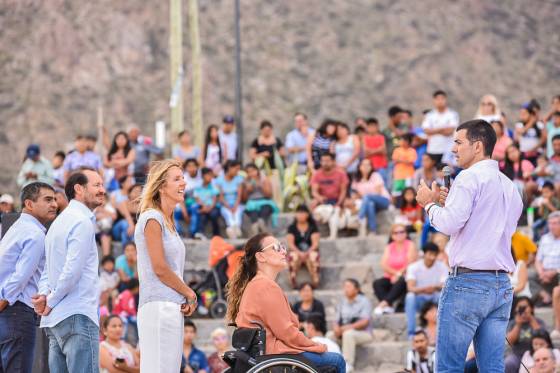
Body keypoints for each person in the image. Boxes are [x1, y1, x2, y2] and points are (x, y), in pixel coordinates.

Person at [416, 119, 523, 371]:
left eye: (458, 142)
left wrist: (429, 204)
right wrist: (451, 203)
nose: (453, 148)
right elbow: (494, 227)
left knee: (449, 367)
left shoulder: (467, 178)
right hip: (500, 284)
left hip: (467, 283)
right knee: (492, 367)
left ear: (477, 146)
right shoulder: (510, 186)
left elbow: (450, 224)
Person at [226, 233, 346, 373]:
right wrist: (316, 345)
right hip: (273, 354)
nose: (284, 251)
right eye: (276, 247)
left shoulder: (256, 284)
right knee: (337, 360)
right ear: (261, 256)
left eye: (283, 247)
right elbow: (287, 332)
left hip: (264, 351)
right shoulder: (265, 286)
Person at [32, 169, 106, 373]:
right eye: (97, 185)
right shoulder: (81, 221)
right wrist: (50, 301)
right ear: (79, 189)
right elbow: (72, 271)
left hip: (55, 320)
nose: (103, 190)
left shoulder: (57, 223)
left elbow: (47, 269)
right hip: (77, 315)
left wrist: (45, 297)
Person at [134, 160, 197, 372]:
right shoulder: (152, 218)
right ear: (161, 186)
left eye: (183, 178)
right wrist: (190, 293)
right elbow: (159, 268)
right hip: (159, 306)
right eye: (177, 179)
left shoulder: (168, 221)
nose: (184, 183)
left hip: (170, 306)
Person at [0, 182, 56, 373]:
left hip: (8, 312)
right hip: (16, 311)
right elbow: (20, 277)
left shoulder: (16, 229)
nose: (54, 204)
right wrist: (2, 302)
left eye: (55, 199)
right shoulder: (35, 233)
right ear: (29, 204)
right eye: (48, 199)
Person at [326, 278, 372, 373]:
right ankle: (330, 362)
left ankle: (347, 364)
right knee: (329, 335)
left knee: (348, 334)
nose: (345, 289)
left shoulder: (364, 301)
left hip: (363, 333)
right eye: (344, 287)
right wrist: (336, 328)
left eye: (348, 286)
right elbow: (336, 320)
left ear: (357, 289)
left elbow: (365, 321)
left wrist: (345, 328)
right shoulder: (342, 302)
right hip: (344, 332)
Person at [405, 242, 448, 339]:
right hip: (420, 297)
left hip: (435, 296)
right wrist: (425, 289)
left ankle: (444, 331)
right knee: (410, 297)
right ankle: (411, 333)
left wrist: (433, 287)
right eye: (430, 254)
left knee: (444, 296)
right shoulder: (413, 267)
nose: (432, 257)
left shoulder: (442, 266)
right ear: (424, 254)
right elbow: (410, 287)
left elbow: (444, 285)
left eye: (434, 254)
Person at [373, 224, 418, 315]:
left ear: (406, 233)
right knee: (377, 283)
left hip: (406, 276)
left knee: (401, 281)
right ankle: (389, 306)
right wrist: (395, 274)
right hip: (392, 276)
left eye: (402, 232)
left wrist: (399, 274)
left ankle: (383, 304)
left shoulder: (410, 245)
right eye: (396, 232)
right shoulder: (389, 247)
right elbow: (383, 264)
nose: (399, 234)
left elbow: (410, 262)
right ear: (392, 235)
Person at [310, 152, 350, 240]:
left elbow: (343, 191)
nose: (325, 163)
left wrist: (339, 203)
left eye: (327, 161)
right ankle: (314, 233)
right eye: (323, 161)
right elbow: (314, 192)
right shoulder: (317, 174)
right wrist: (319, 198)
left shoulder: (341, 173)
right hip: (323, 201)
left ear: (333, 162)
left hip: (337, 199)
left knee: (346, 205)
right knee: (312, 204)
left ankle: (346, 229)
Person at [505, 297, 546, 373]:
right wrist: (518, 325)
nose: (523, 310)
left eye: (525, 307)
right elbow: (510, 342)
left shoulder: (539, 322)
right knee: (508, 363)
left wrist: (531, 319)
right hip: (518, 355)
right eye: (520, 307)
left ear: (531, 308)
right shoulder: (512, 323)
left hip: (534, 354)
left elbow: (543, 337)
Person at [350, 158, 391, 236]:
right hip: (369, 203)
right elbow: (354, 195)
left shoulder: (375, 175)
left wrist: (363, 196)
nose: (366, 167)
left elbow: (378, 192)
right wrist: (363, 197)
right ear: (359, 167)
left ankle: (359, 218)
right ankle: (373, 231)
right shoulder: (356, 179)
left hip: (383, 200)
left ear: (371, 167)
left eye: (368, 165)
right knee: (370, 204)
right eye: (363, 165)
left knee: (367, 197)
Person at [287, 205, 321, 288]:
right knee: (292, 256)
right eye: (298, 213)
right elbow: (290, 244)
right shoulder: (291, 228)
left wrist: (306, 253)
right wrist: (300, 253)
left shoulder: (313, 227)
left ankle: (315, 280)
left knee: (314, 256)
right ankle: (292, 279)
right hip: (296, 252)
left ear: (307, 214)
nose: (300, 215)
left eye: (303, 213)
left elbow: (315, 244)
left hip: (309, 252)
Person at [421, 90, 459, 164]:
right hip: (433, 150)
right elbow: (426, 131)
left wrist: (433, 131)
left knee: (445, 173)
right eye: (437, 99)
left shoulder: (452, 114)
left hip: (447, 150)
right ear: (434, 100)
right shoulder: (430, 115)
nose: (440, 101)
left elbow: (450, 131)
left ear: (446, 100)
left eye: (442, 99)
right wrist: (442, 129)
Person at [243, 163, 278, 235]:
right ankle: (255, 227)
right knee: (253, 211)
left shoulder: (265, 180)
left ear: (257, 170)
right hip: (252, 203)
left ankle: (262, 223)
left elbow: (269, 195)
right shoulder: (245, 182)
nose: (251, 173)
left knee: (265, 208)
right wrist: (248, 190)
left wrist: (260, 186)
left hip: (265, 201)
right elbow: (244, 199)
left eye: (252, 171)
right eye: (248, 172)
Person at [534, 212, 560, 306]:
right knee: (530, 275)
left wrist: (554, 272)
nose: (551, 226)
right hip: (544, 272)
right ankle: (546, 297)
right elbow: (538, 260)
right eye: (550, 223)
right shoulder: (544, 238)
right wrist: (541, 273)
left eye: (554, 223)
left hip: (557, 273)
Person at [214, 160, 244, 239]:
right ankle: (233, 228)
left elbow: (239, 195)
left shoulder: (239, 179)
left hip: (236, 203)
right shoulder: (219, 180)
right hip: (224, 204)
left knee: (237, 213)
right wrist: (228, 206)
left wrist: (235, 206)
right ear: (230, 168)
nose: (237, 171)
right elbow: (220, 197)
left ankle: (234, 228)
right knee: (228, 213)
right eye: (236, 169)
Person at [191, 167, 220, 239]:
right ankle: (200, 233)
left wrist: (209, 208)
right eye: (209, 175)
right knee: (202, 216)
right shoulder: (198, 186)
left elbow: (214, 199)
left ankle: (216, 234)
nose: (211, 177)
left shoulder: (213, 186)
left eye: (211, 175)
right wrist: (204, 207)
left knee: (214, 214)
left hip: (212, 207)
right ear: (203, 176)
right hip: (203, 206)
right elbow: (197, 198)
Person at [363, 117, 388, 183]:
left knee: (383, 183)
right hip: (370, 167)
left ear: (377, 127)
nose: (372, 128)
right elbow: (365, 152)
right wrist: (378, 150)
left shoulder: (381, 137)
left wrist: (371, 151)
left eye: (373, 126)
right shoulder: (365, 138)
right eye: (370, 126)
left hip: (381, 166)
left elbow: (384, 151)